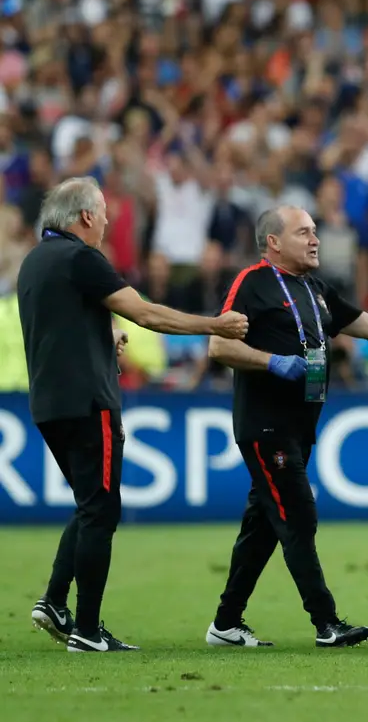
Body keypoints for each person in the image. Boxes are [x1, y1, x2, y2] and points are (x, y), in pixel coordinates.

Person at [204, 205, 368, 649]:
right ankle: (326, 622)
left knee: (263, 525)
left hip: (300, 426)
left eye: (316, 231)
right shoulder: (253, 283)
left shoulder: (316, 289)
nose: (315, 239)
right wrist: (272, 362)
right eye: (304, 232)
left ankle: (225, 623)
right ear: (274, 242)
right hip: (266, 427)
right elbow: (219, 345)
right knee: (299, 516)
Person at [20, 177, 248, 653]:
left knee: (89, 504)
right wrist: (215, 324)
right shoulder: (82, 258)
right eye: (103, 213)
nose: (107, 221)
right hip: (88, 403)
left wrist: (103, 342)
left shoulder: (36, 261)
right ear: (84, 216)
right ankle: (86, 629)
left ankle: (56, 602)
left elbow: (58, 332)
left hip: (49, 402)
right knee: (102, 510)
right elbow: (147, 315)